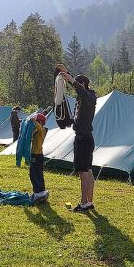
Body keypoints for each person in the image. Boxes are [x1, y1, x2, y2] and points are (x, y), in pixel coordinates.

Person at [60, 71, 97, 212]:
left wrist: (69, 78)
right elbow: (79, 117)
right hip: (86, 138)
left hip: (83, 139)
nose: (75, 90)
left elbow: (81, 91)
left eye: (77, 85)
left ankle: (83, 203)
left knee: (83, 172)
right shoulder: (85, 99)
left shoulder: (88, 96)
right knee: (88, 171)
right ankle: (89, 202)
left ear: (82, 85)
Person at [30, 113, 49, 202]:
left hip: (38, 155)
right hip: (33, 154)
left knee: (38, 174)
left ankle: (41, 192)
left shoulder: (43, 130)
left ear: (41, 122)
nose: (35, 123)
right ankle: (36, 192)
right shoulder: (35, 130)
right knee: (32, 174)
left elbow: (39, 128)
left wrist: (34, 120)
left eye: (37, 121)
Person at [54, 64, 74, 129]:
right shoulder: (60, 78)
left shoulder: (58, 78)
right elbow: (59, 94)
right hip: (61, 102)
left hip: (59, 101)